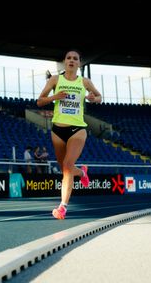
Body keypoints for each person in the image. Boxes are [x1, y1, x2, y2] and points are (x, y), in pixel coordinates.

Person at [36, 50, 102, 220]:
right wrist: (55, 97)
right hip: (57, 130)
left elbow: (99, 97)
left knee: (67, 164)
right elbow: (40, 101)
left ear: (79, 63)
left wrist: (93, 98)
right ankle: (81, 173)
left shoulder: (85, 82)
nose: (72, 60)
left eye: (75, 58)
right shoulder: (55, 80)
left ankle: (62, 207)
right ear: (64, 62)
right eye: (69, 58)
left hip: (77, 129)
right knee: (65, 169)